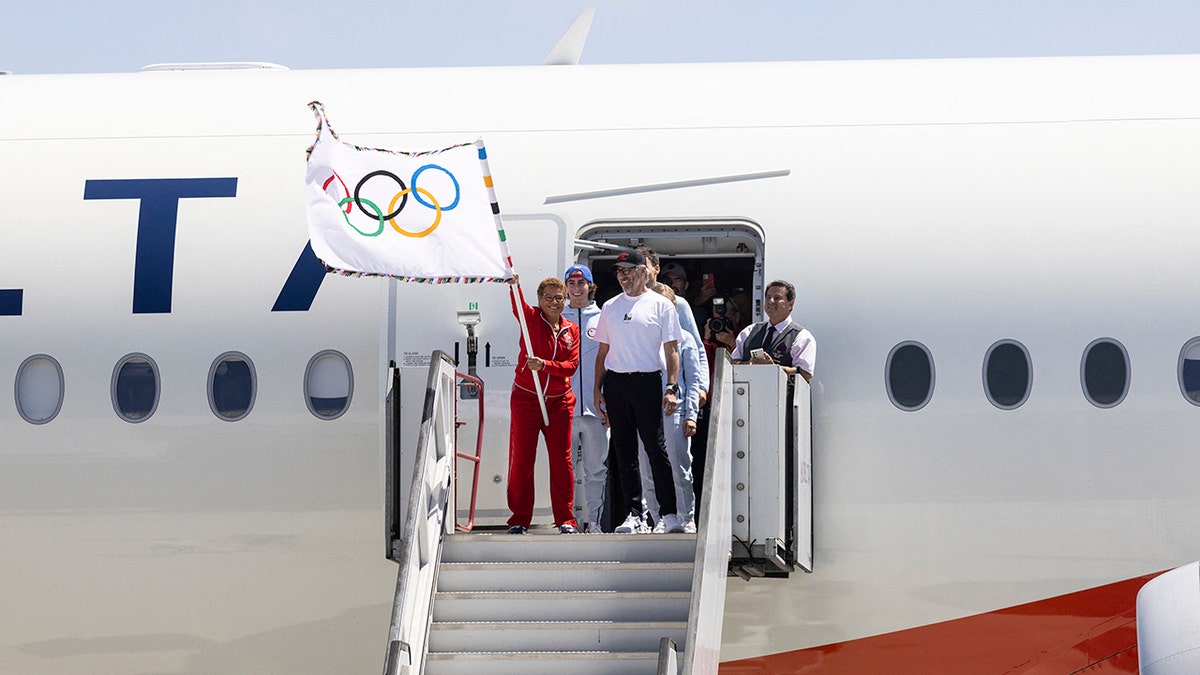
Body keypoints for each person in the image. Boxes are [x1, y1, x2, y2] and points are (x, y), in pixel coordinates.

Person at [594, 250, 685, 535]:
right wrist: (597, 389)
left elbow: (672, 350)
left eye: (628, 271)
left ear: (643, 272)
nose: (623, 276)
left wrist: (671, 387)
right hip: (616, 383)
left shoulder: (661, 305)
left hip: (647, 382)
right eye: (618, 272)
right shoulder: (609, 306)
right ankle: (634, 515)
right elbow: (603, 351)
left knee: (656, 449)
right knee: (624, 451)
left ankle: (669, 514)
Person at [506, 275, 581, 535]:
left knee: (562, 461)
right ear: (540, 300)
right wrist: (514, 284)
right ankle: (519, 518)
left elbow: (571, 366)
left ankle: (566, 519)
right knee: (523, 459)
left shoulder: (571, 329)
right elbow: (517, 304)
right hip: (527, 398)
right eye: (548, 298)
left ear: (565, 300)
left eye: (559, 298)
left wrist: (545, 365)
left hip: (559, 402)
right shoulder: (530, 319)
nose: (553, 302)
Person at [638, 283, 702, 533]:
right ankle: (659, 517)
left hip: (676, 412)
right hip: (647, 411)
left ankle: (686, 516)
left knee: (679, 467)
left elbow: (694, 380)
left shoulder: (684, 339)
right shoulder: (642, 339)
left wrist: (692, 415)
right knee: (647, 467)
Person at [563, 263, 607, 533]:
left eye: (582, 283)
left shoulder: (604, 317)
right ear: (566, 287)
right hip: (563, 408)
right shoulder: (557, 318)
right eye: (572, 283)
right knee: (562, 468)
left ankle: (594, 522)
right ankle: (565, 520)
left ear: (590, 287)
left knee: (595, 470)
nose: (577, 288)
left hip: (595, 409)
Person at [731, 279, 816, 382]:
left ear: (791, 304)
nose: (771, 301)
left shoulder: (802, 337)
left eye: (777, 298)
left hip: (783, 397)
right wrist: (750, 365)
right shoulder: (749, 332)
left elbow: (805, 374)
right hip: (748, 396)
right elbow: (733, 363)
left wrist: (773, 369)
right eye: (768, 297)